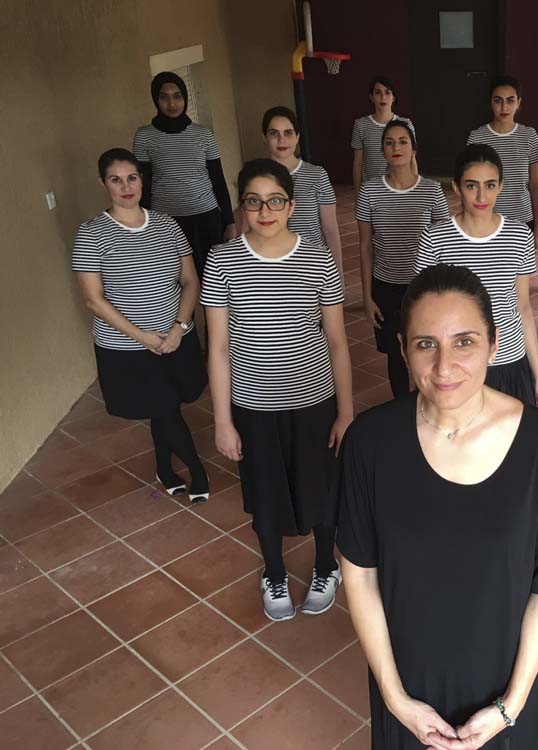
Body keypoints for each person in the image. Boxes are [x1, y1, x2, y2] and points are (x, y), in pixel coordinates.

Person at [339, 263, 538, 750]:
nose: (444, 366)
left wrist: (511, 704)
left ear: (494, 345)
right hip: (410, 690)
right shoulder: (369, 443)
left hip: (509, 692)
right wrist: (395, 699)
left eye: (464, 342)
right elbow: (360, 576)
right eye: (425, 344)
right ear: (403, 350)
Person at [202, 159, 353, 621]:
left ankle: (326, 565)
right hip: (253, 406)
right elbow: (219, 348)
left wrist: (346, 412)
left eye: (275, 201)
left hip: (314, 401)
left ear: (291, 205)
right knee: (264, 493)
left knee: (322, 489)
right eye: (254, 201)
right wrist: (223, 421)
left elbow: (336, 341)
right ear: (242, 206)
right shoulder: (222, 260)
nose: (264, 211)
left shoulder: (318, 259)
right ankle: (273, 571)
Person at [73, 148, 210, 502]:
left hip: (176, 336)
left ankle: (163, 467)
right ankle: (198, 471)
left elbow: (190, 281)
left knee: (164, 407)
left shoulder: (167, 224)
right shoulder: (91, 234)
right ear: (103, 183)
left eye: (132, 177)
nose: (126, 187)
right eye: (116, 180)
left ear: (141, 179)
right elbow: (93, 299)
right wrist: (141, 336)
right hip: (128, 347)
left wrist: (179, 326)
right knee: (164, 407)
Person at [414, 144, 538, 410]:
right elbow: (423, 315)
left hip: (509, 360)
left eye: (490, 185)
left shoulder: (519, 236)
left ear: (501, 186)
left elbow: (523, 307)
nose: (481, 195)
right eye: (471, 185)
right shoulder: (434, 239)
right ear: (456, 187)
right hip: (458, 365)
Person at [357, 120, 450, 397]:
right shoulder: (369, 191)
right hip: (385, 285)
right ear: (382, 151)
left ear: (413, 150)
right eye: (389, 142)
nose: (396, 147)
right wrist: (367, 297)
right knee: (395, 354)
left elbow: (444, 245)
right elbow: (365, 246)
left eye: (402, 141)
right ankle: (401, 407)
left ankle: (428, 402)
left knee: (427, 349)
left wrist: (442, 292)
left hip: (422, 287)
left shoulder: (431, 190)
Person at [133, 72, 236, 276]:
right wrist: (143, 226)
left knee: (213, 276)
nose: (172, 103)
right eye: (164, 97)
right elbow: (143, 186)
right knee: (177, 278)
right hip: (167, 222)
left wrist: (229, 222)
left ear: (185, 98)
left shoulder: (203, 134)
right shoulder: (144, 137)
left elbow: (218, 180)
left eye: (177, 96)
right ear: (156, 100)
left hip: (207, 218)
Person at [253, 106, 344, 276]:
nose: (281, 140)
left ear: (297, 137)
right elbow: (247, 231)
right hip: (272, 267)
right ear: (264, 138)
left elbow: (330, 230)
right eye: (274, 133)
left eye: (288, 133)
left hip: (313, 265)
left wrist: (337, 275)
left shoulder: (317, 175)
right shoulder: (255, 178)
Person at [467, 75, 538, 241]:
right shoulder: (477, 137)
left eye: (510, 101)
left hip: (522, 218)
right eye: (498, 101)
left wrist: (537, 227)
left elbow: (535, 184)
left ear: (518, 103)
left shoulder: (529, 136)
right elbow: (469, 185)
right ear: (490, 102)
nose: (504, 107)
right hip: (487, 219)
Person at [351, 76, 417, 195]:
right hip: (372, 189)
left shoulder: (406, 124)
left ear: (393, 97)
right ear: (371, 97)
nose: (383, 97)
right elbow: (358, 163)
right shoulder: (361, 125)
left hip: (401, 187)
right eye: (378, 92)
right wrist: (357, 194)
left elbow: (412, 158)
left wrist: (414, 190)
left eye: (387, 92)